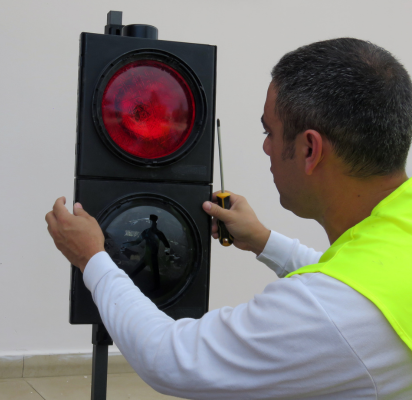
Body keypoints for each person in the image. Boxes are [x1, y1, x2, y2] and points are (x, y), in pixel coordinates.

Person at [45, 38, 412, 399]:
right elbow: (365, 285)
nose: (266, 147)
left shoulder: (331, 314)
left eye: (270, 132)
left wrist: (92, 258)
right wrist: (264, 241)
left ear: (310, 149)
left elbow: (171, 358)